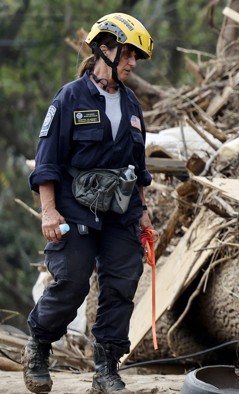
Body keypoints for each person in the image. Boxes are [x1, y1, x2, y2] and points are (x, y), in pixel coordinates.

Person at [24, 12, 154, 394]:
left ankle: (106, 369)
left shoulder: (132, 107)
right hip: (74, 210)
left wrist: (144, 215)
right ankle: (39, 346)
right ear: (104, 49)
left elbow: (139, 170)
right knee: (73, 282)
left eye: (135, 57)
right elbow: (47, 161)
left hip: (121, 213)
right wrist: (49, 211)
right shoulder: (68, 98)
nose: (132, 63)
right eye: (128, 54)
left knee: (121, 286)